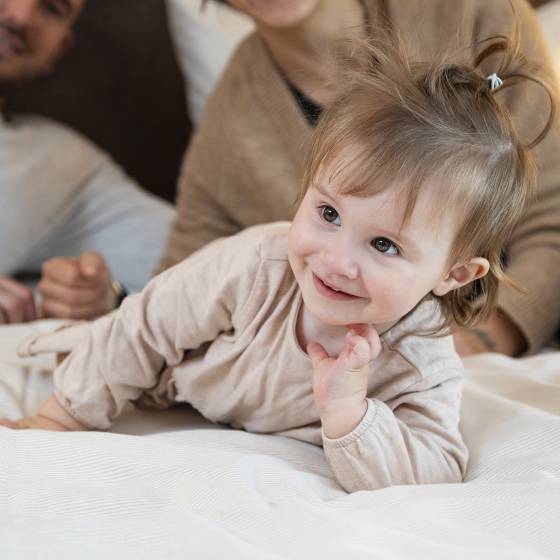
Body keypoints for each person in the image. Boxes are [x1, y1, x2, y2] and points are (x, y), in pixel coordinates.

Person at [2, 28, 554, 492]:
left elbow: (434, 474)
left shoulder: (420, 352)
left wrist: (351, 418)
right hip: (168, 377)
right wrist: (60, 417)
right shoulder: (255, 266)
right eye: (329, 214)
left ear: (454, 275)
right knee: (108, 352)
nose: (337, 260)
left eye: (384, 245)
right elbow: (148, 324)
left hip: (259, 410)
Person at [158, 0, 560, 358]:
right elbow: (183, 279)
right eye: (328, 212)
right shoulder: (230, 117)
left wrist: (483, 340)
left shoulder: (472, 11)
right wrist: (114, 298)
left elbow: (554, 216)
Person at [0, 0, 175, 324]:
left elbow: (207, 265)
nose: (21, 15)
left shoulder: (60, 162)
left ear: (59, 50)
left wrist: (110, 299)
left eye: (52, 8)